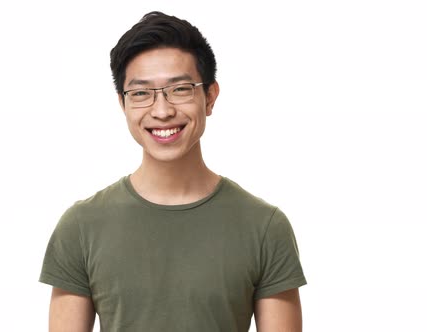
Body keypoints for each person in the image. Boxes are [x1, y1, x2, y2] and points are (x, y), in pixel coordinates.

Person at [39, 11, 307, 331]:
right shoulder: (80, 227)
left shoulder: (265, 227)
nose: (162, 111)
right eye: (140, 93)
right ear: (123, 104)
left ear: (209, 97)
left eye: (180, 89)